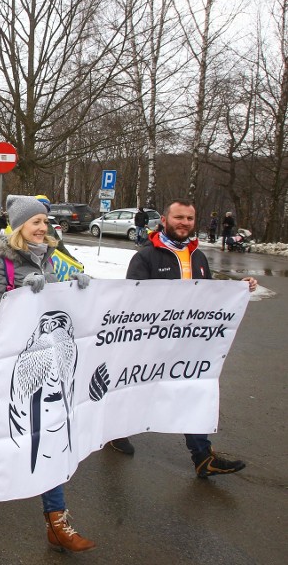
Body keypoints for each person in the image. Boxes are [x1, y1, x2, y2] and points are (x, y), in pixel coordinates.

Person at [0, 194, 94, 553]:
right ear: (19, 227)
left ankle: (57, 521)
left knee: (46, 436)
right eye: (36, 222)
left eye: (45, 222)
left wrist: (77, 291)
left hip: (42, 364)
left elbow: (56, 313)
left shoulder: (49, 260)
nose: (43, 227)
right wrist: (18, 297)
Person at [107, 199, 257, 476]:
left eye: (189, 218)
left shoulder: (197, 257)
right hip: (150, 345)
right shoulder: (145, 257)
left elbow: (210, 296)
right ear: (164, 220)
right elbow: (130, 303)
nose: (184, 223)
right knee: (136, 390)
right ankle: (113, 431)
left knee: (193, 390)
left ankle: (202, 457)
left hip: (188, 345)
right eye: (178, 217)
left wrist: (238, 289)